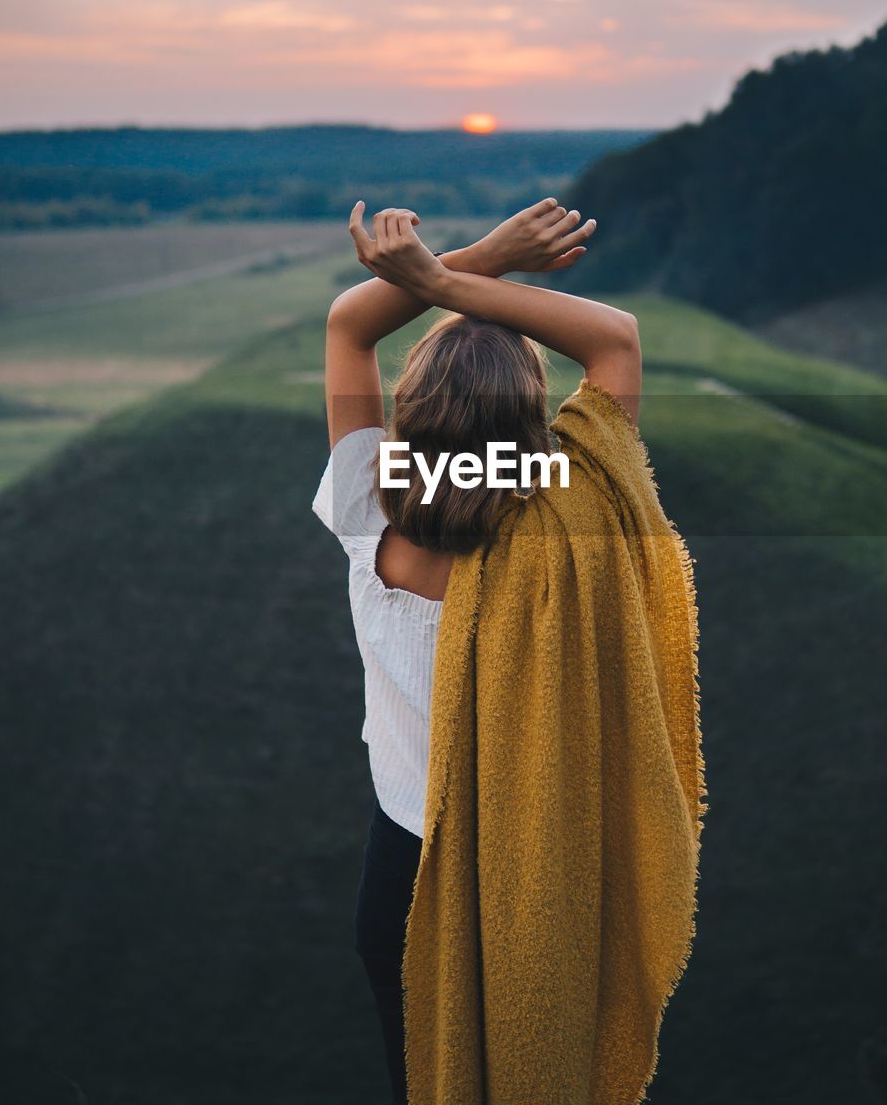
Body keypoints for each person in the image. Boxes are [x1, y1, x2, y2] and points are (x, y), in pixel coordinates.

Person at [312, 197, 642, 1104]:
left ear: (411, 415)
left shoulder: (364, 509)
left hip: (402, 874)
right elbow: (615, 341)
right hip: (531, 870)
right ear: (530, 423)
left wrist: (476, 257)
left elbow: (348, 324)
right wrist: (453, 283)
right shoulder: (569, 518)